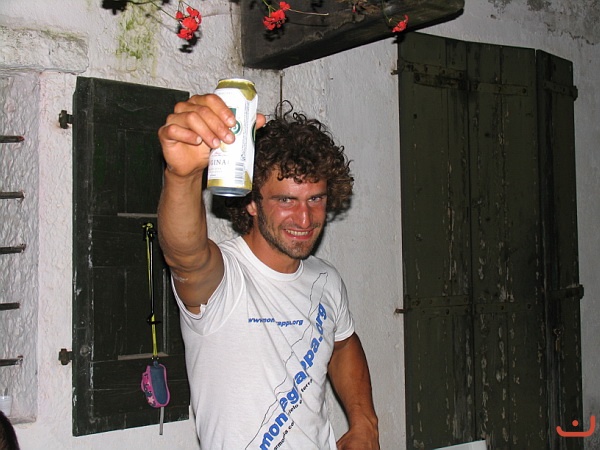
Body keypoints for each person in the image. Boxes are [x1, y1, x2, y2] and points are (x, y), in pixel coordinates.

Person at [157, 93, 379, 449]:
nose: (305, 219)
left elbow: (343, 344)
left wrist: (364, 422)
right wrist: (183, 177)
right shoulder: (224, 279)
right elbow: (185, 255)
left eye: (315, 199)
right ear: (252, 202)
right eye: (286, 200)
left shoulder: (326, 280)